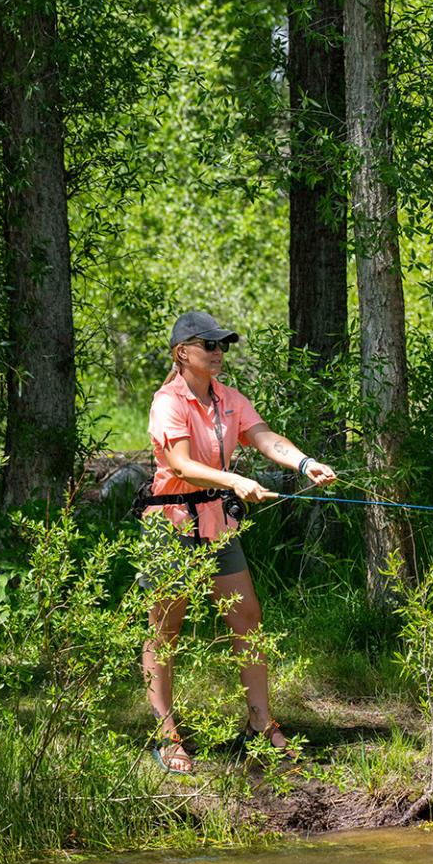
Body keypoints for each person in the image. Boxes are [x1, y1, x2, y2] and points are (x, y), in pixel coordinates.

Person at [140, 310, 336, 774]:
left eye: (222, 345)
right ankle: (165, 732)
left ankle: (260, 725)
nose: (218, 352)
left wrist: (304, 463)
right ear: (181, 353)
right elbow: (182, 465)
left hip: (218, 524)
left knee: (247, 618)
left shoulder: (230, 399)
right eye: (209, 345)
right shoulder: (167, 401)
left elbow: (264, 437)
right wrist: (234, 480)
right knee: (165, 628)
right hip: (171, 524)